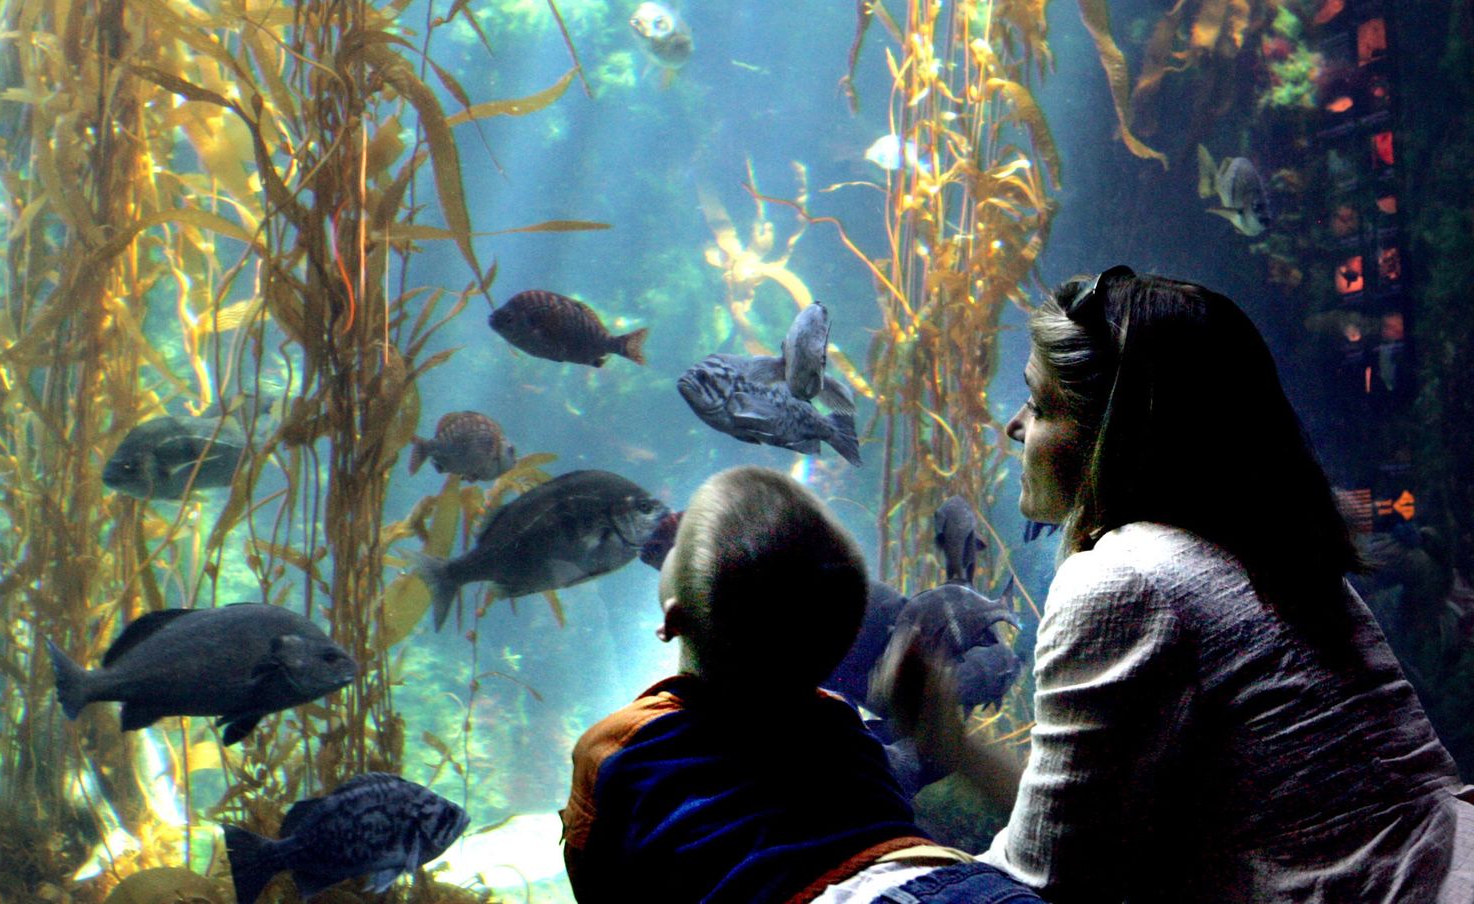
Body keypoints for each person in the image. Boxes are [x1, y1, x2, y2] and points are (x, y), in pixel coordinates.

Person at [885, 266, 1474, 902]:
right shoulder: (1264, 549)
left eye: (1041, 403)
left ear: (1110, 434)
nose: (1015, 428)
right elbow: (1075, 826)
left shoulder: (1126, 579)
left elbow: (1044, 879)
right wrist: (952, 742)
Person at [560, 465, 1048, 903]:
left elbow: (601, 883)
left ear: (672, 621)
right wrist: (942, 734)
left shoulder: (623, 746)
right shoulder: (842, 723)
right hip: (964, 887)